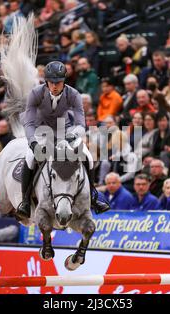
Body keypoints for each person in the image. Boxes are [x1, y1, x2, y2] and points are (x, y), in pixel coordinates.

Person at [19, 61, 110, 219]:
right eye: (51, 82)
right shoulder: (36, 93)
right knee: (30, 157)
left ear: (64, 81)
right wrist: (33, 142)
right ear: (46, 81)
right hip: (41, 131)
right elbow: (29, 122)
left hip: (65, 131)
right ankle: (25, 201)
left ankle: (93, 195)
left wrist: (72, 135)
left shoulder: (73, 94)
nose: (55, 86)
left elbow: (81, 123)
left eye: (58, 82)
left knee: (87, 155)